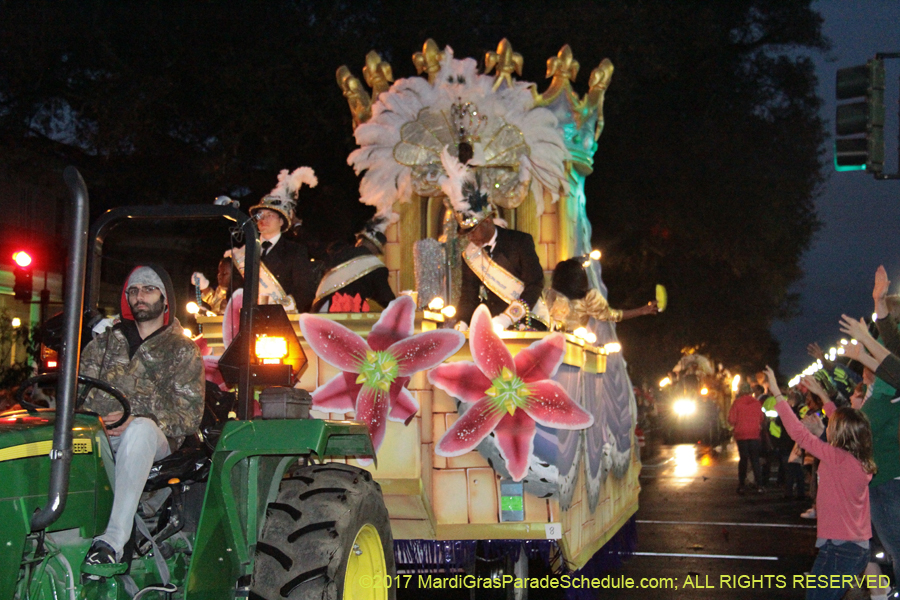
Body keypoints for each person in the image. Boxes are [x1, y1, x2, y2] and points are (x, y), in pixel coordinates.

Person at [79, 265, 205, 574]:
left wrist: (137, 418)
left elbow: (189, 416)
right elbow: (78, 396)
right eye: (133, 291)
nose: (139, 296)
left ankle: (112, 542)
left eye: (148, 290)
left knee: (139, 429)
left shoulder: (182, 351)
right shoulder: (103, 345)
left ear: (165, 299)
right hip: (98, 433)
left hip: (157, 439)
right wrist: (94, 422)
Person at [765, 366, 875, 600]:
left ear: (841, 434)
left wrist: (776, 392)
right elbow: (841, 417)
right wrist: (823, 395)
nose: (829, 425)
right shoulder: (858, 457)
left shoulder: (838, 458)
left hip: (841, 550)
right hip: (850, 547)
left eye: (832, 426)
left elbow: (799, 434)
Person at [237, 167, 318, 313]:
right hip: (247, 320)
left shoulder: (295, 251)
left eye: (269, 215)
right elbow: (235, 290)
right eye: (260, 215)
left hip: (281, 320)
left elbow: (304, 291)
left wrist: (286, 308)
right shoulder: (245, 252)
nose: (263, 219)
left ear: (281, 221)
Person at [546, 257, 658, 331]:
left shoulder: (588, 297)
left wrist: (642, 310)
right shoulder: (549, 294)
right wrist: (642, 311)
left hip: (561, 345)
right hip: (561, 345)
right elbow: (613, 315)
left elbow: (612, 315)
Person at [312, 217, 395, 312]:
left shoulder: (339, 253)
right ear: (375, 247)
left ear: (361, 241)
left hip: (320, 311)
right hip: (346, 314)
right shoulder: (376, 267)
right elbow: (385, 298)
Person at [728, 380, 765, 494]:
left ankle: (742, 485)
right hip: (754, 434)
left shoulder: (737, 403)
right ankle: (759, 485)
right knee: (755, 459)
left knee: (743, 459)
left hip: (741, 434)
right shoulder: (756, 403)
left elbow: (731, 420)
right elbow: (761, 418)